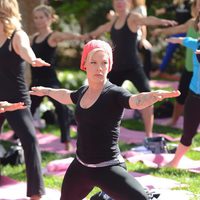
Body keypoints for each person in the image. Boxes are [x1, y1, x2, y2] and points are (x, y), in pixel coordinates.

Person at [30, 39, 180, 200]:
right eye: (93, 62)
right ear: (85, 64)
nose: (99, 68)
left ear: (109, 66)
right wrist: (46, 91)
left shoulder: (115, 93)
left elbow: (135, 101)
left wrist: (151, 96)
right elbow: (67, 95)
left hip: (108, 167)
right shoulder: (82, 92)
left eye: (104, 62)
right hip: (81, 167)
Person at [83, 0, 177, 138]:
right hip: (116, 68)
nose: (119, 3)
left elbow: (146, 20)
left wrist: (161, 21)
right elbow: (101, 29)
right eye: (116, 1)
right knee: (102, 97)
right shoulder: (114, 20)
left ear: (128, 3)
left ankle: (149, 136)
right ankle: (102, 131)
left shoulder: (132, 18)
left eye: (122, 0)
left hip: (133, 67)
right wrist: (88, 35)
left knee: (148, 97)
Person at [0, 0, 50, 199]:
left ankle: (35, 193)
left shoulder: (17, 35)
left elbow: (25, 49)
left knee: (30, 141)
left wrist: (32, 59)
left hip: (16, 100)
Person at [30, 4, 82, 150]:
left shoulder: (52, 36)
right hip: (36, 81)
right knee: (27, 109)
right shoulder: (33, 38)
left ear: (49, 19)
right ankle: (21, 138)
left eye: (41, 17)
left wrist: (82, 37)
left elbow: (67, 36)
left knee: (61, 108)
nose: (38, 20)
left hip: (50, 81)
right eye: (36, 18)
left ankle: (66, 142)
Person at [152, 0, 200, 126]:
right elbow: (177, 29)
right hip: (189, 68)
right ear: (194, 7)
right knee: (181, 95)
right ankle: (173, 121)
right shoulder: (191, 23)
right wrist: (160, 31)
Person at [164, 12, 200, 168]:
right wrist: (172, 39)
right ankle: (174, 162)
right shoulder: (196, 43)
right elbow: (185, 40)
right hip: (194, 96)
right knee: (188, 132)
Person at [152, 0, 192, 80]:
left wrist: (161, 31)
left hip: (187, 32)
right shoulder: (177, 5)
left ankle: (161, 70)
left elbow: (186, 27)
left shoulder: (190, 4)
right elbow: (167, 9)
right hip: (177, 31)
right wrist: (158, 11)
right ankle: (161, 70)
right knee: (170, 43)